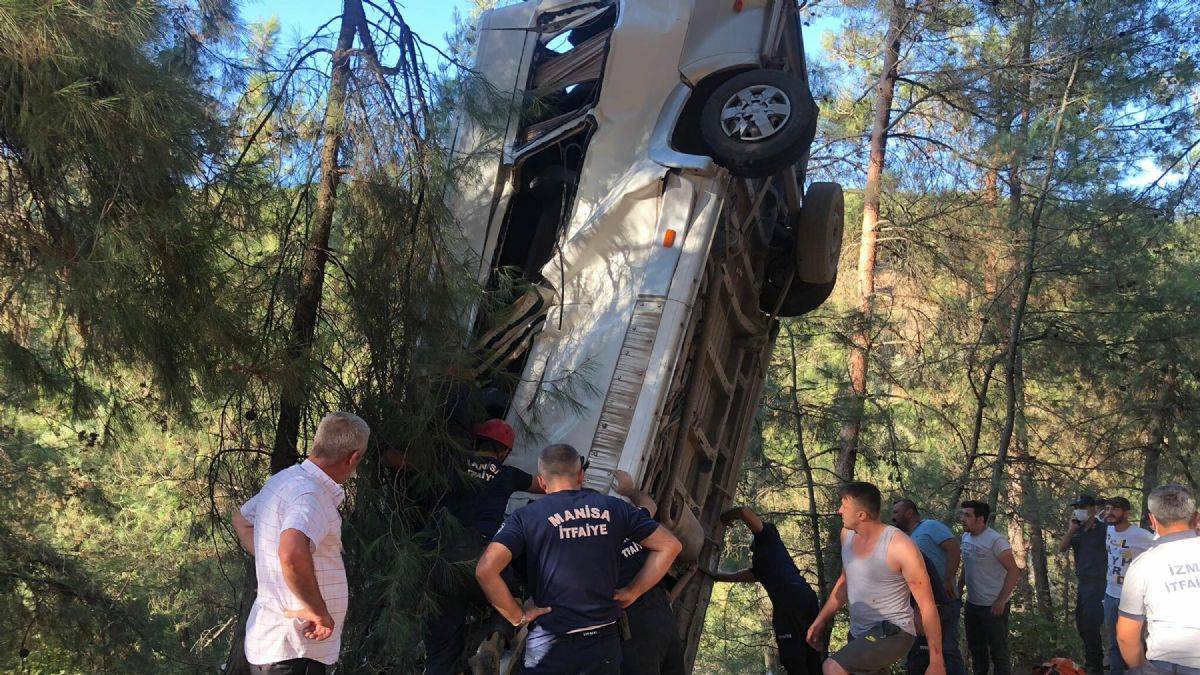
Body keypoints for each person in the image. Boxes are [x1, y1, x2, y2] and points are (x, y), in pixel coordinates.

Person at [475, 444, 682, 674]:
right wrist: (633, 591)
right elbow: (670, 545)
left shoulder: (525, 518)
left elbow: (486, 570)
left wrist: (517, 616)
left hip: (550, 644)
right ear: (581, 475)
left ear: (542, 483)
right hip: (602, 643)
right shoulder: (613, 508)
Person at [398, 418, 543, 675]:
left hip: (438, 559)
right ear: (505, 452)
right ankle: (496, 638)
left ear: (475, 442)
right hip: (480, 557)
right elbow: (543, 485)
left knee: (441, 652)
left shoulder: (451, 464)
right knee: (511, 588)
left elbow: (406, 462)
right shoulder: (508, 474)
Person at [231, 411, 370, 675]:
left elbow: (242, 519)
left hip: (279, 647)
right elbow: (291, 553)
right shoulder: (310, 495)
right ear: (353, 458)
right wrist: (318, 613)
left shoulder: (285, 480)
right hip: (294, 651)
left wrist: (272, 561)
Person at [806, 482, 946, 675]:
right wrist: (820, 620)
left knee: (832, 668)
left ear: (861, 515)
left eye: (844, 507)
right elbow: (845, 582)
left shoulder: (900, 547)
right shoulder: (847, 536)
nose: (839, 511)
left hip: (894, 632)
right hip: (860, 634)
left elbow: (927, 605)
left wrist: (937, 661)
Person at [706, 506, 822, 675]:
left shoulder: (767, 536)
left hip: (789, 600)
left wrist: (725, 517)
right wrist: (715, 576)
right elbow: (743, 575)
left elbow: (744, 512)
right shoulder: (765, 563)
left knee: (793, 658)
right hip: (807, 598)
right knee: (810, 653)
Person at [1115, 483, 1200, 674]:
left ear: (1152, 521)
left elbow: (1126, 636)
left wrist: (1139, 669)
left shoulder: (1142, 565)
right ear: (1196, 517)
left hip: (1169, 667)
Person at [610, 469, 685, 675]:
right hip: (662, 614)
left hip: (633, 621)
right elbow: (649, 505)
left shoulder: (583, 541)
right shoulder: (628, 520)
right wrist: (630, 490)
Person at [893, 500, 967, 675]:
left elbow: (954, 547)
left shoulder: (930, 526)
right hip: (919, 606)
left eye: (897, 512)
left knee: (947, 649)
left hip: (944, 601)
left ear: (909, 513)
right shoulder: (906, 539)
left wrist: (949, 578)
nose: (893, 516)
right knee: (920, 652)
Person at [958, 500, 1020, 675]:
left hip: (993, 607)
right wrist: (959, 587)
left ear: (981, 519)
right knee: (977, 650)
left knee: (998, 653)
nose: (962, 518)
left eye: (967, 515)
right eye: (962, 514)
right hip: (972, 604)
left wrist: (1001, 601)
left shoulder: (996, 541)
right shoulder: (966, 537)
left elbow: (1014, 571)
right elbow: (967, 565)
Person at [1099, 496, 1153, 675]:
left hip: (1133, 598)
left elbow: (1161, 551)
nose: (1109, 513)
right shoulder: (1109, 530)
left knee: (1136, 642)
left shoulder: (1141, 535)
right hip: (1110, 595)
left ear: (1127, 513)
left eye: (1114, 509)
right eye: (1107, 509)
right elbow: (1098, 518)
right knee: (1114, 643)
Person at [1058, 494, 1107, 674]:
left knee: (1091, 624)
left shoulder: (1104, 529)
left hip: (1099, 582)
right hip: (1083, 583)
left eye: (1084, 507)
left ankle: (1096, 664)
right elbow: (1061, 548)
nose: (1080, 510)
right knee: (1081, 623)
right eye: (1077, 507)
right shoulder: (1076, 530)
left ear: (1093, 509)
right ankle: (1091, 660)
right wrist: (1071, 530)